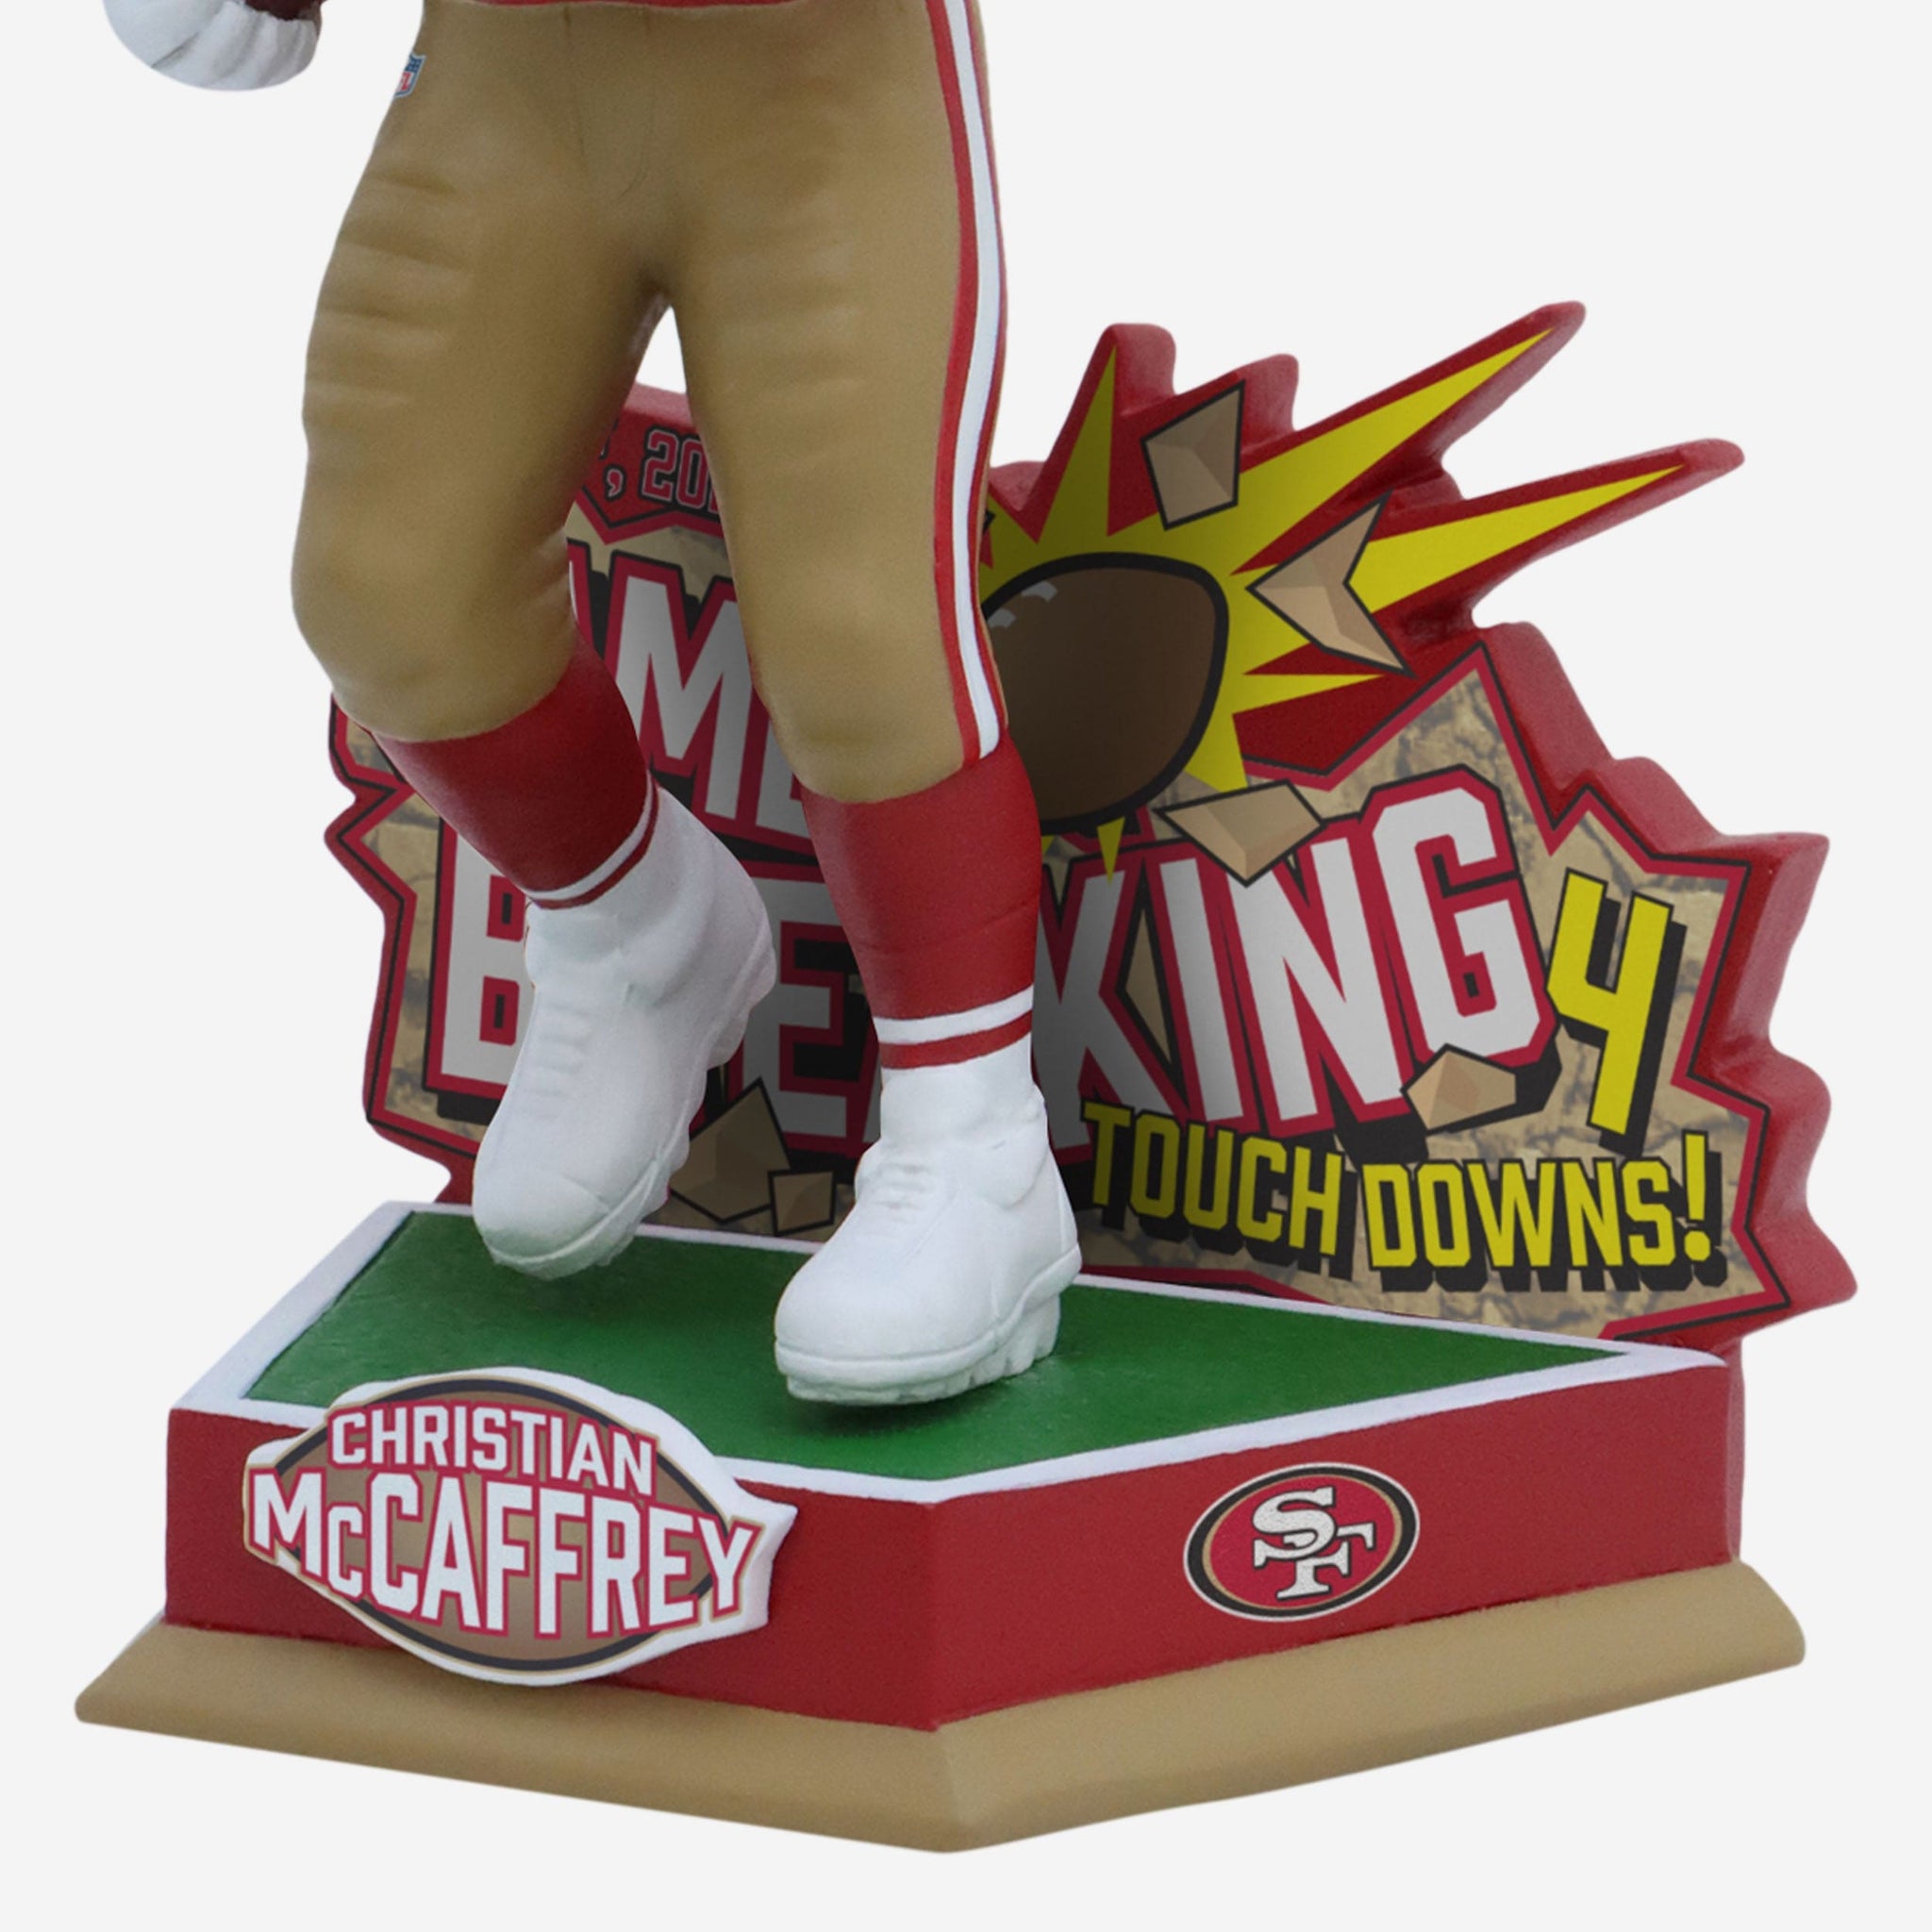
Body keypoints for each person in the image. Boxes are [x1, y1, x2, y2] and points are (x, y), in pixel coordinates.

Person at [104, 0, 1080, 1406]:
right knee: (390, 588)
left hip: (816, 82)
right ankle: (635, 925)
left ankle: (975, 1145)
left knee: (861, 633)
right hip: (516, 63)